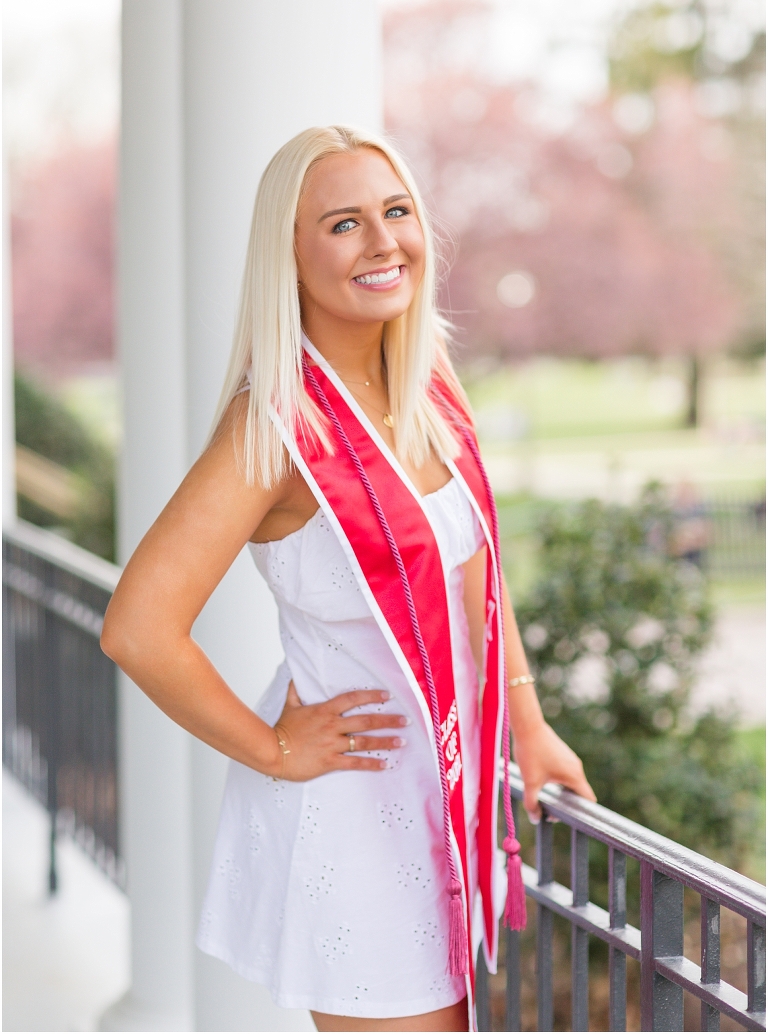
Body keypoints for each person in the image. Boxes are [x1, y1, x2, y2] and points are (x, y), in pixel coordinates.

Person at [101, 125, 595, 1033]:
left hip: (442, 789)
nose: (382, 241)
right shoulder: (275, 431)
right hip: (357, 820)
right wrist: (275, 749)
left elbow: (473, 574)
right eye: (342, 224)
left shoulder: (430, 388)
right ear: (287, 257)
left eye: (396, 211)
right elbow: (137, 627)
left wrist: (527, 723)